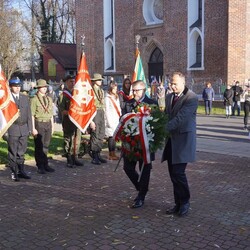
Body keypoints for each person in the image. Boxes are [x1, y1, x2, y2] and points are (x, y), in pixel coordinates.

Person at [161, 72, 198, 216]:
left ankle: (185, 202)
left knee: (178, 173)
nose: (172, 86)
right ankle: (177, 203)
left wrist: (162, 129)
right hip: (171, 141)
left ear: (183, 83)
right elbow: (166, 116)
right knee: (173, 174)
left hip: (183, 142)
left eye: (175, 83)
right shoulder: (169, 96)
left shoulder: (191, 98)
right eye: (171, 83)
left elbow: (180, 119)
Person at [122, 80, 157, 208]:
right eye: (133, 90)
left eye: (136, 90)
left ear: (144, 90)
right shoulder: (128, 104)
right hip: (130, 143)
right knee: (127, 168)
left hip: (146, 144)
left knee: (145, 170)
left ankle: (141, 196)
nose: (134, 93)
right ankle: (141, 187)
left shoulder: (152, 104)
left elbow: (156, 124)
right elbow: (123, 120)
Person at [6, 77, 32, 181]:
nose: (17, 88)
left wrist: (30, 128)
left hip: (24, 128)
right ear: (11, 87)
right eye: (15, 86)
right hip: (12, 128)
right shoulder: (7, 99)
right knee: (13, 152)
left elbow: (29, 115)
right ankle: (14, 172)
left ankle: (21, 170)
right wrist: (5, 132)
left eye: (19, 86)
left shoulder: (25, 97)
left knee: (21, 151)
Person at [58, 75, 84, 168]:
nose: (72, 83)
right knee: (68, 139)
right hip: (68, 120)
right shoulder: (63, 95)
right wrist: (72, 112)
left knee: (77, 138)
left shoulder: (77, 94)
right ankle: (69, 158)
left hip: (77, 121)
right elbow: (62, 110)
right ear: (66, 83)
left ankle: (75, 156)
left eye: (73, 81)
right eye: (70, 81)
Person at [31, 79, 55, 174]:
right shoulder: (34, 99)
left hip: (48, 123)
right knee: (39, 146)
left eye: (45, 87)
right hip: (39, 123)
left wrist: (52, 126)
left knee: (46, 145)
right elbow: (32, 115)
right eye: (42, 87)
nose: (44, 88)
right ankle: (40, 165)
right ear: (38, 88)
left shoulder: (49, 99)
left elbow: (51, 114)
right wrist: (33, 128)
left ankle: (45, 164)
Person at [89, 73, 107, 165]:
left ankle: (98, 153)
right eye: (99, 80)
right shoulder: (90, 91)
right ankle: (94, 156)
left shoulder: (101, 91)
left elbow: (103, 103)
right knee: (95, 134)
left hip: (101, 112)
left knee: (101, 133)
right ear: (94, 81)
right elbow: (88, 106)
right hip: (94, 112)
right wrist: (90, 120)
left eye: (101, 80)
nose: (100, 81)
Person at [104, 80, 121, 160]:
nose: (116, 90)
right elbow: (106, 110)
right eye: (114, 88)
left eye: (116, 88)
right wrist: (108, 121)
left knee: (114, 137)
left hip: (116, 118)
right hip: (110, 119)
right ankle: (111, 153)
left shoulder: (116, 96)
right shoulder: (107, 97)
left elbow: (118, 106)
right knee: (111, 137)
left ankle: (113, 153)